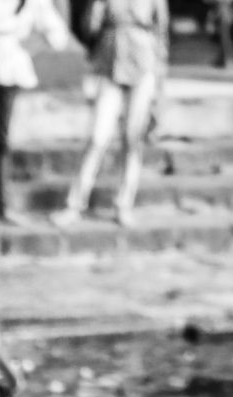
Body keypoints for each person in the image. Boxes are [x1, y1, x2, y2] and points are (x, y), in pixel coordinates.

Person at [0, 0, 74, 226]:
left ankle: (3, 206)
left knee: (3, 137)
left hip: (11, 63)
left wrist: (30, 45)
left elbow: (57, 34)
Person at [54, 0, 167, 228]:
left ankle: (124, 204)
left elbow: (162, 33)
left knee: (132, 138)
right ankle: (74, 204)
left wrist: (159, 87)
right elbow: (89, 28)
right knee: (97, 137)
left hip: (144, 62)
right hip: (110, 61)